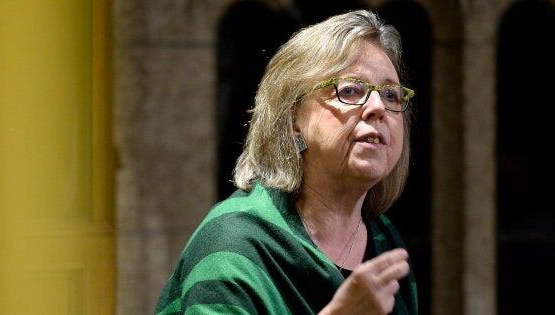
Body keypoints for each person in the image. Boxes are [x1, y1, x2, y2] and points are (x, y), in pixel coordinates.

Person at [155, 9, 418, 315]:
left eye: (390, 95)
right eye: (350, 90)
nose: (378, 108)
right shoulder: (235, 244)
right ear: (292, 119)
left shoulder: (383, 240)